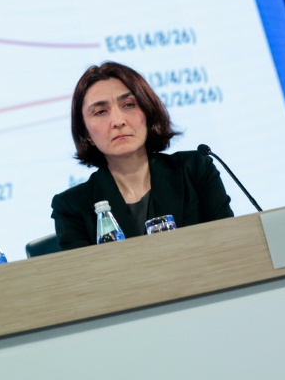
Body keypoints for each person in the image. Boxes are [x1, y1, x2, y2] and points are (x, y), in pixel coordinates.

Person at [51, 62, 234, 250]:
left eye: (128, 105)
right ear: (86, 133)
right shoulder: (72, 207)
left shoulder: (194, 170)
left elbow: (229, 246)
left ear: (148, 112)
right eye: (101, 112)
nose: (118, 121)